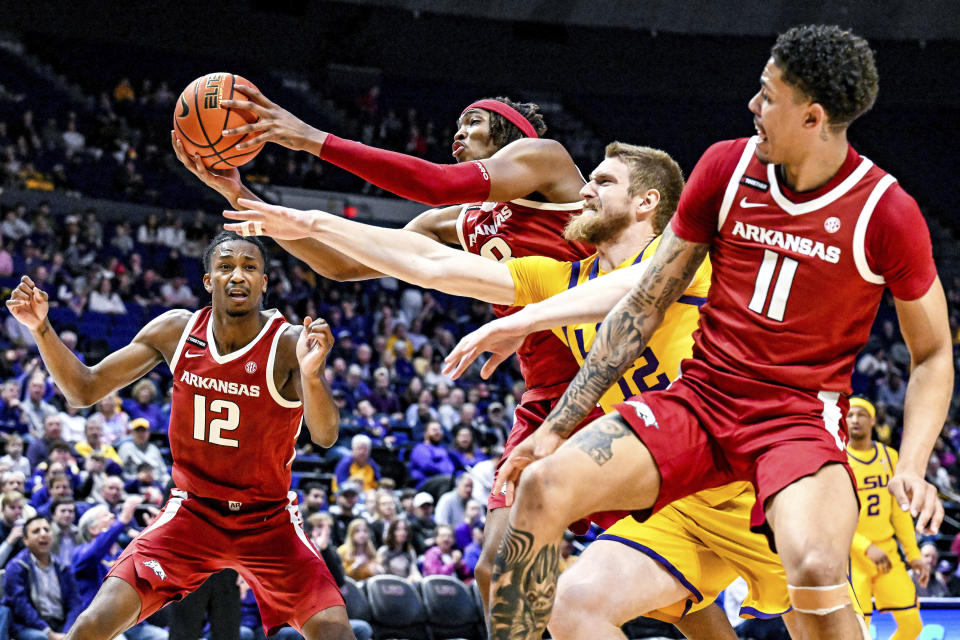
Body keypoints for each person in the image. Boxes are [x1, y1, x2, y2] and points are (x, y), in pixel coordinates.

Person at [448, 25, 948, 639]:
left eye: (768, 97)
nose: (752, 107)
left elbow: (932, 353)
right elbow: (643, 303)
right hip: (699, 403)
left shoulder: (886, 212)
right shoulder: (725, 167)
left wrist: (916, 462)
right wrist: (552, 430)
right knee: (545, 488)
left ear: (813, 117)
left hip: (793, 421)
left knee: (816, 568)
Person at [220, 142, 802, 636]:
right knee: (574, 602)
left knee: (828, 614)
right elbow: (430, 263)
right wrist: (306, 221)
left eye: (603, 181)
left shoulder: (688, 256)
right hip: (676, 497)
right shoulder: (562, 279)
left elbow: (638, 288)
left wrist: (516, 320)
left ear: (647, 202)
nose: (585, 190)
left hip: (763, 478)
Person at [174, 91, 597, 613]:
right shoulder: (460, 223)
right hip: (546, 394)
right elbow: (344, 265)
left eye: (473, 123)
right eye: (457, 126)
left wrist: (307, 138)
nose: (457, 135)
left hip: (615, 374)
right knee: (497, 570)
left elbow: (433, 183)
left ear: (511, 136)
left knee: (672, 560)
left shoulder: (545, 157)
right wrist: (243, 199)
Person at [5, 231, 354, 640]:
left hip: (267, 519)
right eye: (225, 267)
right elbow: (83, 389)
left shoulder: (289, 342)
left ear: (264, 281)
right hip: (193, 514)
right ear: (208, 280)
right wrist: (41, 328)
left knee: (335, 632)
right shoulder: (176, 330)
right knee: (90, 627)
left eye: (249, 267)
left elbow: (326, 435)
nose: (237, 276)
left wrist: (312, 376)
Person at [846, 396, 926, 637]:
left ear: (873, 420)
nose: (855, 420)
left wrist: (914, 555)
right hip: (851, 556)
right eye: (849, 415)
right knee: (858, 631)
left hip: (887, 552)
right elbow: (829, 521)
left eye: (861, 414)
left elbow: (899, 512)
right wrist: (865, 546)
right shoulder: (838, 460)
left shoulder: (890, 457)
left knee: (912, 625)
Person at [72, 500, 168, 640]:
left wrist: (153, 532)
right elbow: (94, 553)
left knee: (165, 637)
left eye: (112, 514)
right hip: (100, 623)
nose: (112, 516)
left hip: (132, 623)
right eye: (105, 516)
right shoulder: (80, 552)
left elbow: (153, 567)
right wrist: (122, 521)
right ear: (92, 529)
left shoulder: (123, 553)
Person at [4, 515, 82, 639]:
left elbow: (75, 603)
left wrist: (68, 632)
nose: (43, 534)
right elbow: (21, 607)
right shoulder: (16, 567)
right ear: (25, 540)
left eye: (47, 529)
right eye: (36, 531)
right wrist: (49, 633)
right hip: (28, 626)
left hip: (60, 625)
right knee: (40, 638)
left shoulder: (62, 567)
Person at [375, 519, 422, 583]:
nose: (402, 533)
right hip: (387, 586)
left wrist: (416, 577)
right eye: (398, 529)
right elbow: (378, 571)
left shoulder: (410, 551)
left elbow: (414, 571)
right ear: (392, 532)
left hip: (405, 585)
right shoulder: (383, 551)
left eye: (405, 529)